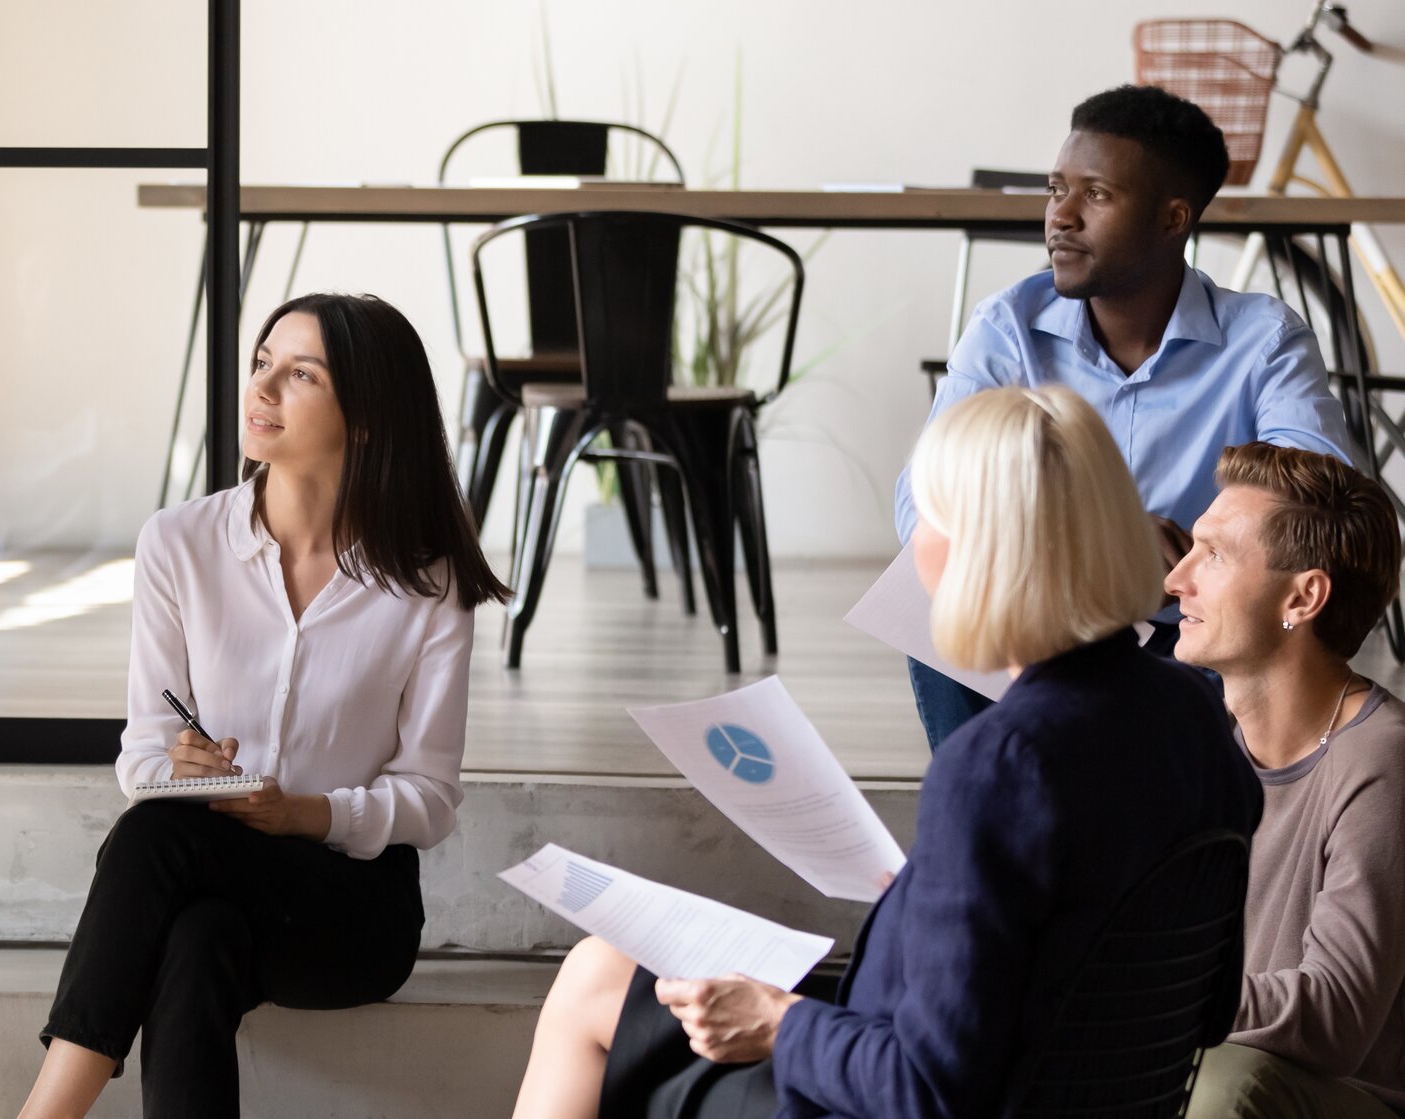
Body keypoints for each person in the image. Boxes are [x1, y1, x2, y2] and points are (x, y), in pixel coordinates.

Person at [512, 386, 1262, 1119]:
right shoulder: (1195, 716)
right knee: (604, 972)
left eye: (928, 514)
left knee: (595, 986)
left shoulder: (998, 763)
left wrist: (778, 1020)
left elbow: (929, 1089)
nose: (913, 540)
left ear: (980, 546)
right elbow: (1207, 1010)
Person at [13, 293, 508, 1119]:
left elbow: (429, 798)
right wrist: (177, 765)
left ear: (369, 419)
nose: (264, 389)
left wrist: (304, 815)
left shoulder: (428, 584)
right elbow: (141, 757)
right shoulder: (179, 544)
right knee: (194, 934)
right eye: (261, 363)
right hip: (208, 870)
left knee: (156, 838)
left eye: (301, 373)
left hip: (350, 909)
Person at [895, 84, 1355, 750]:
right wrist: (1099, 543)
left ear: (1174, 219)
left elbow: (1321, 496)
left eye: (1098, 195)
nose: (1061, 217)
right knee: (927, 598)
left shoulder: (1263, 340)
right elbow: (924, 503)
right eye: (1057, 190)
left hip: (1191, 630)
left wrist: (1195, 557)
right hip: (1044, 622)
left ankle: (1202, 825)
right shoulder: (1007, 329)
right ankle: (988, 816)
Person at [1164, 443, 1405, 1117]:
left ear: (1302, 596)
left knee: (1222, 1083)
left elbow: (1334, 1018)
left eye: (1211, 555)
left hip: (1350, 1098)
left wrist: (1153, 994)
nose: (1176, 579)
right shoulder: (1204, 752)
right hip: (1212, 1059)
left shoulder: (1383, 761)